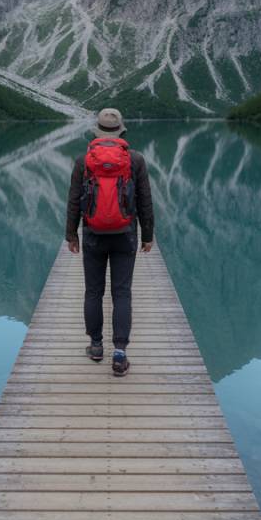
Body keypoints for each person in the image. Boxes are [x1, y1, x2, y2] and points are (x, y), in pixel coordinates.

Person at [66, 107, 154, 377]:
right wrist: (148, 235)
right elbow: (144, 202)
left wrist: (72, 234)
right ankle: (120, 354)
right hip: (125, 234)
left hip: (93, 234)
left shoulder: (84, 161)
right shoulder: (135, 160)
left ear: (97, 131)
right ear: (121, 130)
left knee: (93, 292)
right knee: (122, 293)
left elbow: (74, 201)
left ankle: (95, 347)